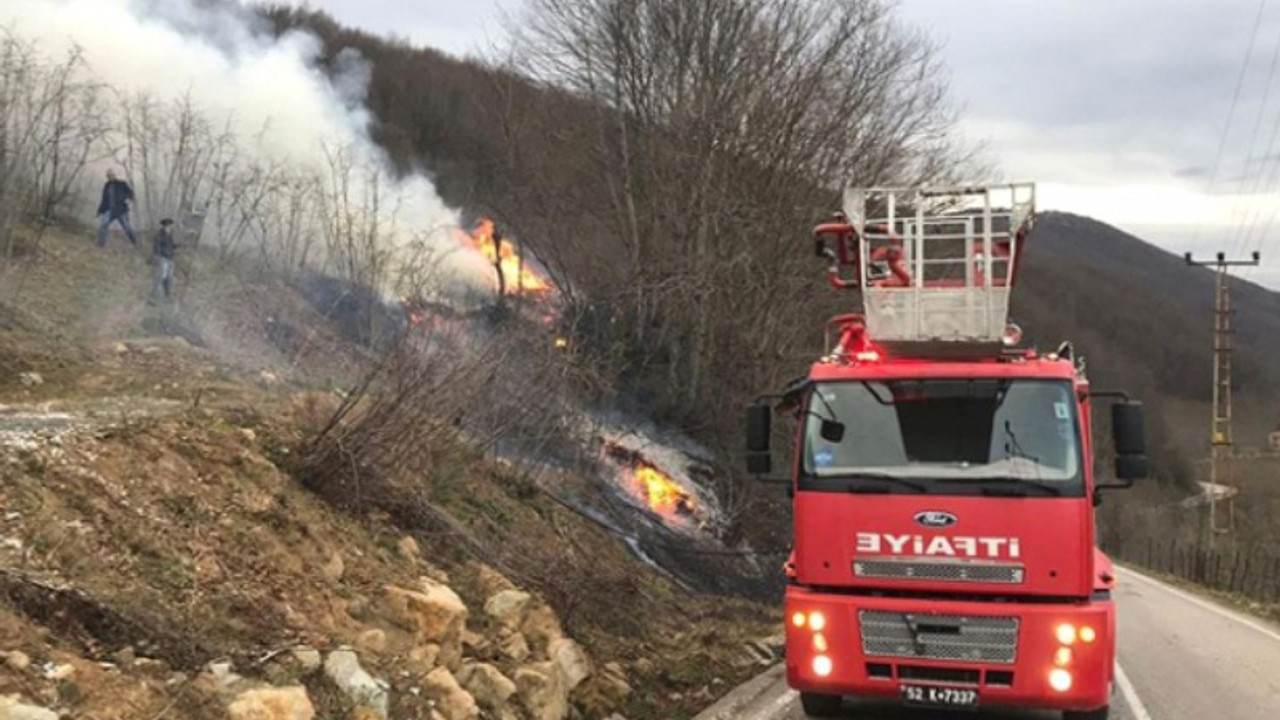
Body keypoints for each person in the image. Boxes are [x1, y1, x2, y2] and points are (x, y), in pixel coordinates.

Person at [97, 169, 138, 247]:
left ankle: (135, 242)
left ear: (114, 175)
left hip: (121, 210)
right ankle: (101, 244)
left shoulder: (121, 184)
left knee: (127, 227)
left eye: (112, 175)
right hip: (109, 210)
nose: (110, 177)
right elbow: (103, 200)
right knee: (103, 224)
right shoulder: (106, 186)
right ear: (107, 177)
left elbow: (130, 193)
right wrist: (99, 211)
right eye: (108, 176)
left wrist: (127, 198)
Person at [148, 218, 179, 304]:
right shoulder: (160, 235)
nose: (170, 228)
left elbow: (171, 246)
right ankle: (152, 297)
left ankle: (167, 297)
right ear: (165, 226)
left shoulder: (170, 235)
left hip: (170, 259)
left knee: (169, 278)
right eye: (169, 226)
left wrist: (178, 246)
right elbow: (157, 247)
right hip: (162, 258)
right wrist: (158, 258)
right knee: (161, 276)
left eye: (171, 226)